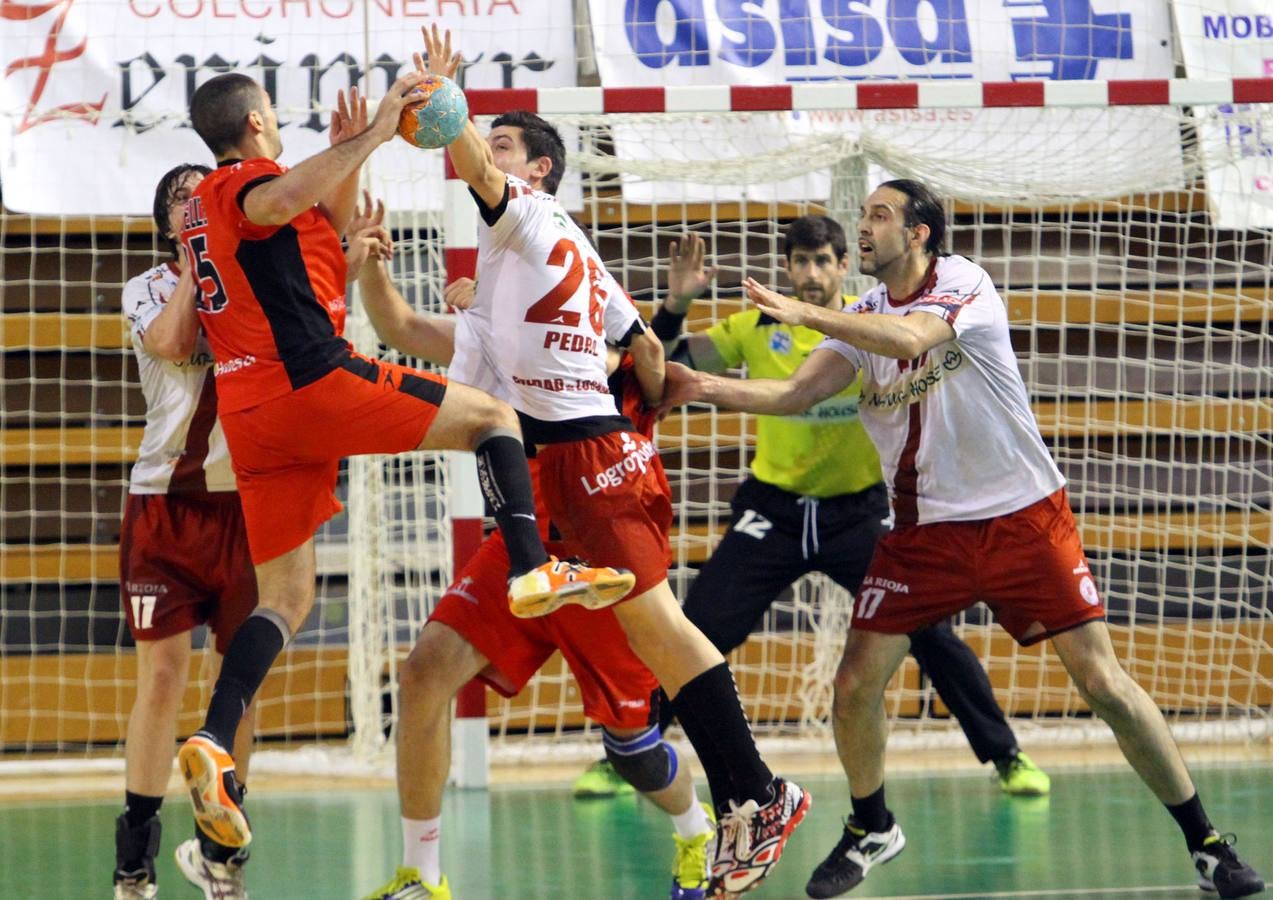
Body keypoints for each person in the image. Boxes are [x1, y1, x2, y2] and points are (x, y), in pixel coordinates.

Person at [659, 178, 1266, 900]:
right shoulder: (858, 316)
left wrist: (801, 312)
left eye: (878, 215)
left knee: (1103, 684)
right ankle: (870, 826)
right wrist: (698, 387)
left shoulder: (964, 284)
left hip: (1021, 515)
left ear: (917, 234)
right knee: (854, 686)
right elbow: (793, 394)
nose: (864, 226)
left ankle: (1204, 842)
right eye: (863, 215)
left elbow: (913, 337)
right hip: (922, 533)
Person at [174, 70, 634, 854]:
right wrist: (378, 131)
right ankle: (533, 568)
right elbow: (274, 202)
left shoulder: (214, 211)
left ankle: (217, 741)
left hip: (253, 417)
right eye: (275, 117)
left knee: (284, 596)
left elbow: (308, 220)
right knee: (492, 416)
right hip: (309, 380)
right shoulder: (240, 184)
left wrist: (350, 159)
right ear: (256, 121)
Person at [398, 26, 812, 897]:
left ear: (537, 168)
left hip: (587, 456)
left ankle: (758, 794)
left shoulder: (520, 211)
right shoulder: (568, 244)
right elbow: (649, 358)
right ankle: (744, 800)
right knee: (646, 633)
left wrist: (447, 97)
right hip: (583, 457)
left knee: (658, 632)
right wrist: (629, 383)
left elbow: (472, 161)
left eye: (507, 147)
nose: (490, 157)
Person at [575, 216, 1048, 801]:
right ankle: (633, 750)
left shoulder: (868, 328)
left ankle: (1006, 755)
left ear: (843, 264)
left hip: (858, 514)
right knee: (695, 630)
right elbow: (660, 358)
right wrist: (675, 302)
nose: (811, 272)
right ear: (787, 268)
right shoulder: (750, 328)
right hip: (772, 513)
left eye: (823, 259)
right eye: (800, 261)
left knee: (930, 634)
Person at [345, 214, 716, 898]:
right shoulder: (498, 332)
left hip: (602, 555)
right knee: (424, 674)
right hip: (521, 546)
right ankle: (421, 878)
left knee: (632, 750)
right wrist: (370, 261)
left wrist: (671, 308)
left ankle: (697, 831)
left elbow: (651, 365)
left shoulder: (618, 354)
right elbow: (397, 326)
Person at [114, 164, 254, 900]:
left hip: (247, 511)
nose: (193, 201)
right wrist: (202, 260)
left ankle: (220, 858)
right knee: (163, 679)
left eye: (205, 192)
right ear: (166, 220)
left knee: (239, 684)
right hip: (163, 509)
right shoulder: (145, 287)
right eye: (179, 196)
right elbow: (173, 344)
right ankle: (133, 859)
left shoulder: (255, 275)